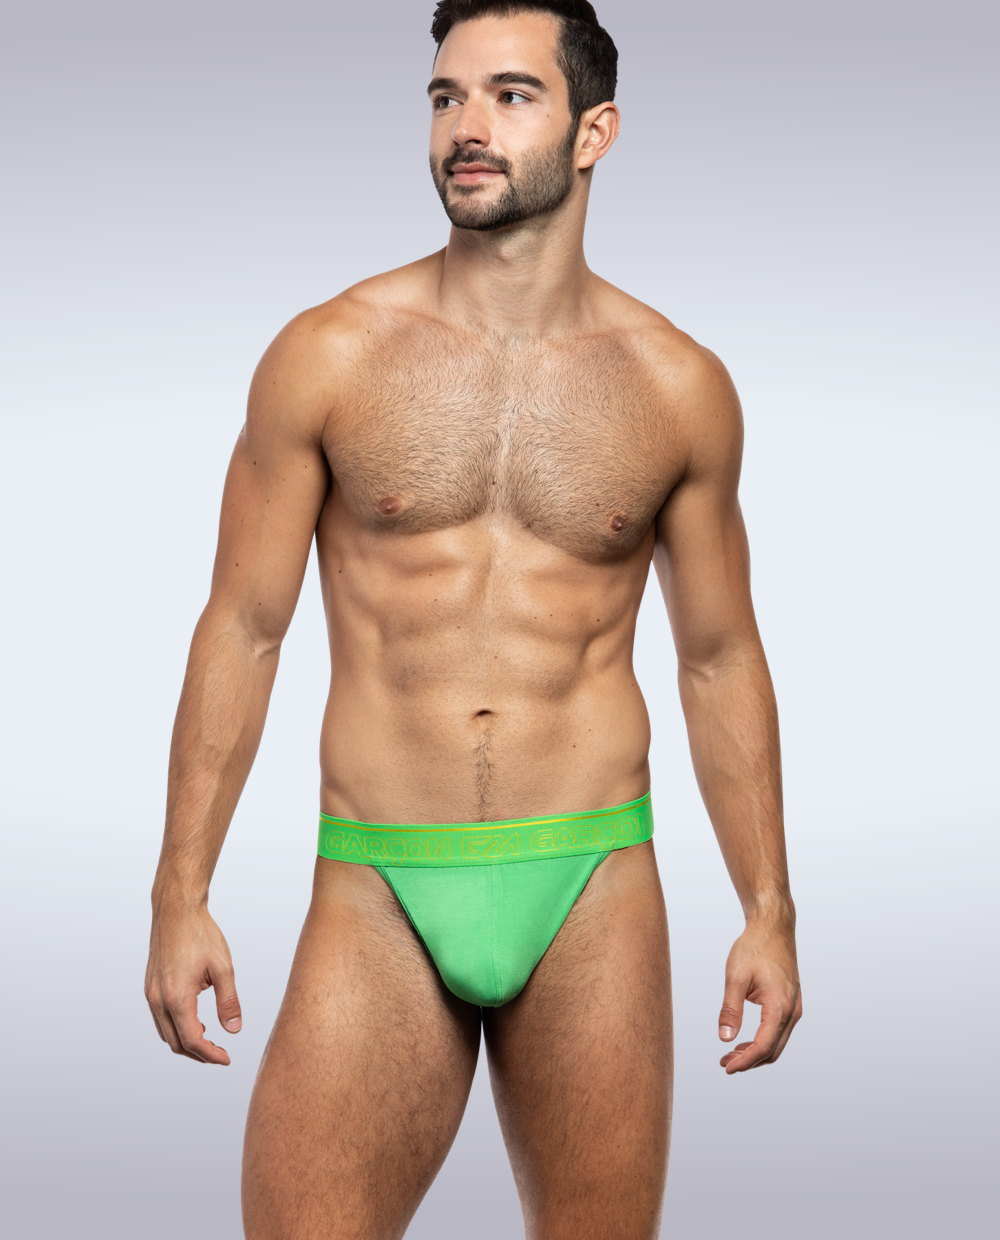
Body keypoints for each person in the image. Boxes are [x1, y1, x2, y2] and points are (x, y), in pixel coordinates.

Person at [144, 2, 802, 1236]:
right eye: (445, 97)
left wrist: (768, 908)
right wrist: (179, 891)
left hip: (592, 875)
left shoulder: (677, 385)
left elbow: (718, 658)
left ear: (594, 131)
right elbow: (242, 625)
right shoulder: (328, 354)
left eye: (511, 94)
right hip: (381, 878)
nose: (466, 126)